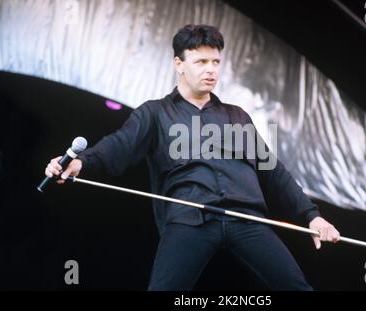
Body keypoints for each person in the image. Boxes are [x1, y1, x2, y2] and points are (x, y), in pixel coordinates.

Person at [44, 24, 340, 291]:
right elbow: (119, 145)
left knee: (297, 287)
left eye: (215, 62)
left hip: (246, 220)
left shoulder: (237, 117)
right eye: (201, 62)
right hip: (188, 220)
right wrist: (80, 163)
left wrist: (311, 216)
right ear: (179, 64)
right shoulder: (155, 112)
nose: (211, 70)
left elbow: (274, 172)